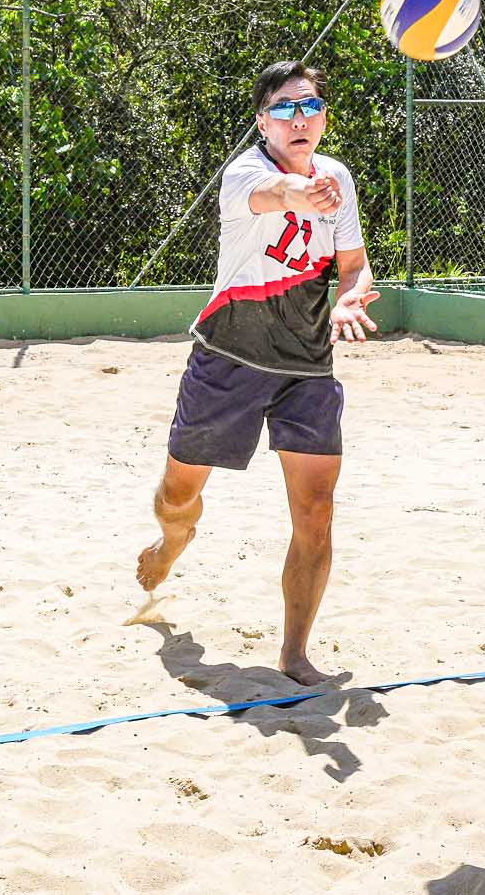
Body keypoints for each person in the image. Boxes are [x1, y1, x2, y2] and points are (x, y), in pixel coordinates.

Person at [134, 60, 379, 687]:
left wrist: (349, 297)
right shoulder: (245, 172)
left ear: (323, 118)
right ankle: (171, 543)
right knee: (179, 496)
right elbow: (280, 194)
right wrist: (301, 192)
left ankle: (295, 654)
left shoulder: (338, 178)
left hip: (307, 366)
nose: (300, 119)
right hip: (230, 357)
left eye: (310, 106)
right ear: (263, 122)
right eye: (285, 109)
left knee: (316, 512)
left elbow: (352, 264)